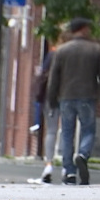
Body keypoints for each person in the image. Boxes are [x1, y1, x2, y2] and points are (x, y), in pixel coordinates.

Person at [47, 17, 100, 185]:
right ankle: (82, 154)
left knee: (67, 133)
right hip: (87, 96)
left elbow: (54, 78)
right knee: (88, 130)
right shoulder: (96, 50)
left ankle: (69, 172)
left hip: (66, 96)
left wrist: (52, 99)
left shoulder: (61, 51)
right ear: (83, 29)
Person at [33, 28, 71, 184]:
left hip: (52, 96)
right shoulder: (72, 55)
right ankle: (66, 167)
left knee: (51, 131)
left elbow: (43, 75)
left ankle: (48, 164)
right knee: (67, 131)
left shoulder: (52, 54)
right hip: (69, 96)